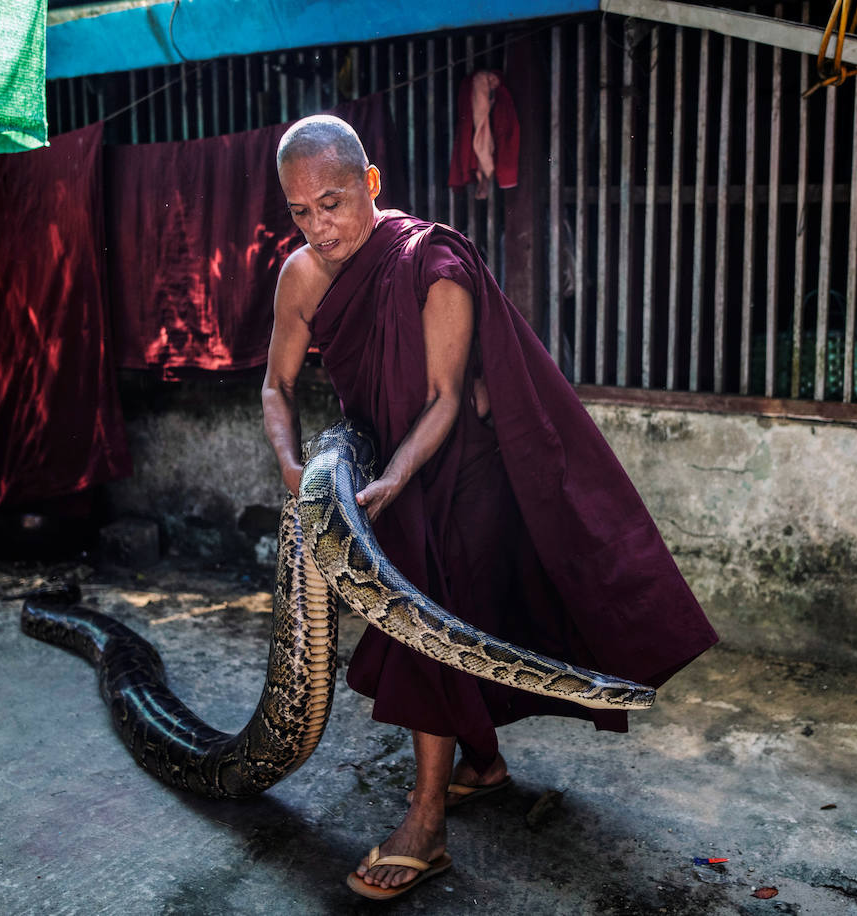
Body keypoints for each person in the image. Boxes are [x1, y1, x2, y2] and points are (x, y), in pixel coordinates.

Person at [261, 115, 718, 901]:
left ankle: (427, 822)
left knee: (431, 623)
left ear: (370, 185)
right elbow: (274, 386)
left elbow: (442, 401)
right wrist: (295, 467)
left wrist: (399, 476)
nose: (319, 225)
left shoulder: (428, 261)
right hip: (373, 465)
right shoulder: (300, 276)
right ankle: (483, 764)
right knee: (429, 619)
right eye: (300, 211)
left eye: (332, 203)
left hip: (459, 468)